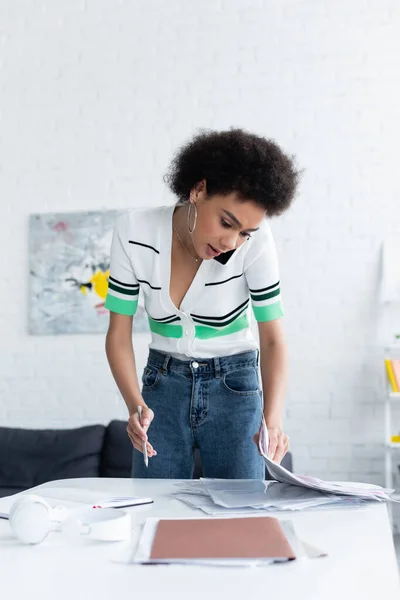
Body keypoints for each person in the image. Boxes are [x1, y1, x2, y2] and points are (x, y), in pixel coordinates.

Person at [104, 128, 299, 479]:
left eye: (244, 232)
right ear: (198, 190)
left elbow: (272, 338)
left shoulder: (255, 244)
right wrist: (135, 406)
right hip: (161, 389)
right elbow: (118, 334)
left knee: (241, 520)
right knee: (153, 515)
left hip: (235, 390)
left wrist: (273, 420)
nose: (232, 242)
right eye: (227, 222)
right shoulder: (134, 231)